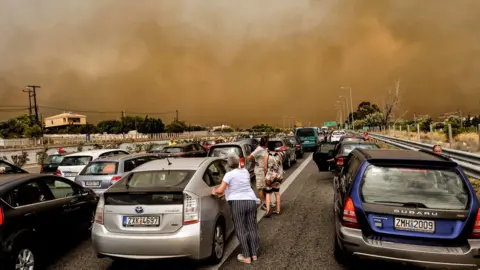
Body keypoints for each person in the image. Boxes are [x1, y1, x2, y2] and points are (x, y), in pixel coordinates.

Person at [212, 153, 260, 264]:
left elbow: (220, 190)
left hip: (238, 203)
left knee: (241, 229)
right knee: (252, 227)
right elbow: (240, 185)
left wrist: (214, 191)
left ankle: (246, 256)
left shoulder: (229, 175)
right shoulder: (246, 172)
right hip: (251, 200)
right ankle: (254, 253)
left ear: (228, 164)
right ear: (238, 162)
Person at [248, 136, 269, 210]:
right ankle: (262, 204)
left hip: (265, 170)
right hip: (260, 171)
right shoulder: (259, 149)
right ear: (265, 142)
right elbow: (250, 157)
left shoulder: (265, 149)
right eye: (267, 142)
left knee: (266, 187)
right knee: (260, 188)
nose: (268, 143)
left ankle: (267, 202)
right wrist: (255, 162)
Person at [264, 150, 284, 217]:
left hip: (270, 176)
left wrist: (266, 175)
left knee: (268, 193)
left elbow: (265, 168)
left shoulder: (266, 156)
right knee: (277, 193)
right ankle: (278, 210)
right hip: (278, 176)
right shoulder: (279, 154)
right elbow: (281, 164)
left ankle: (268, 210)